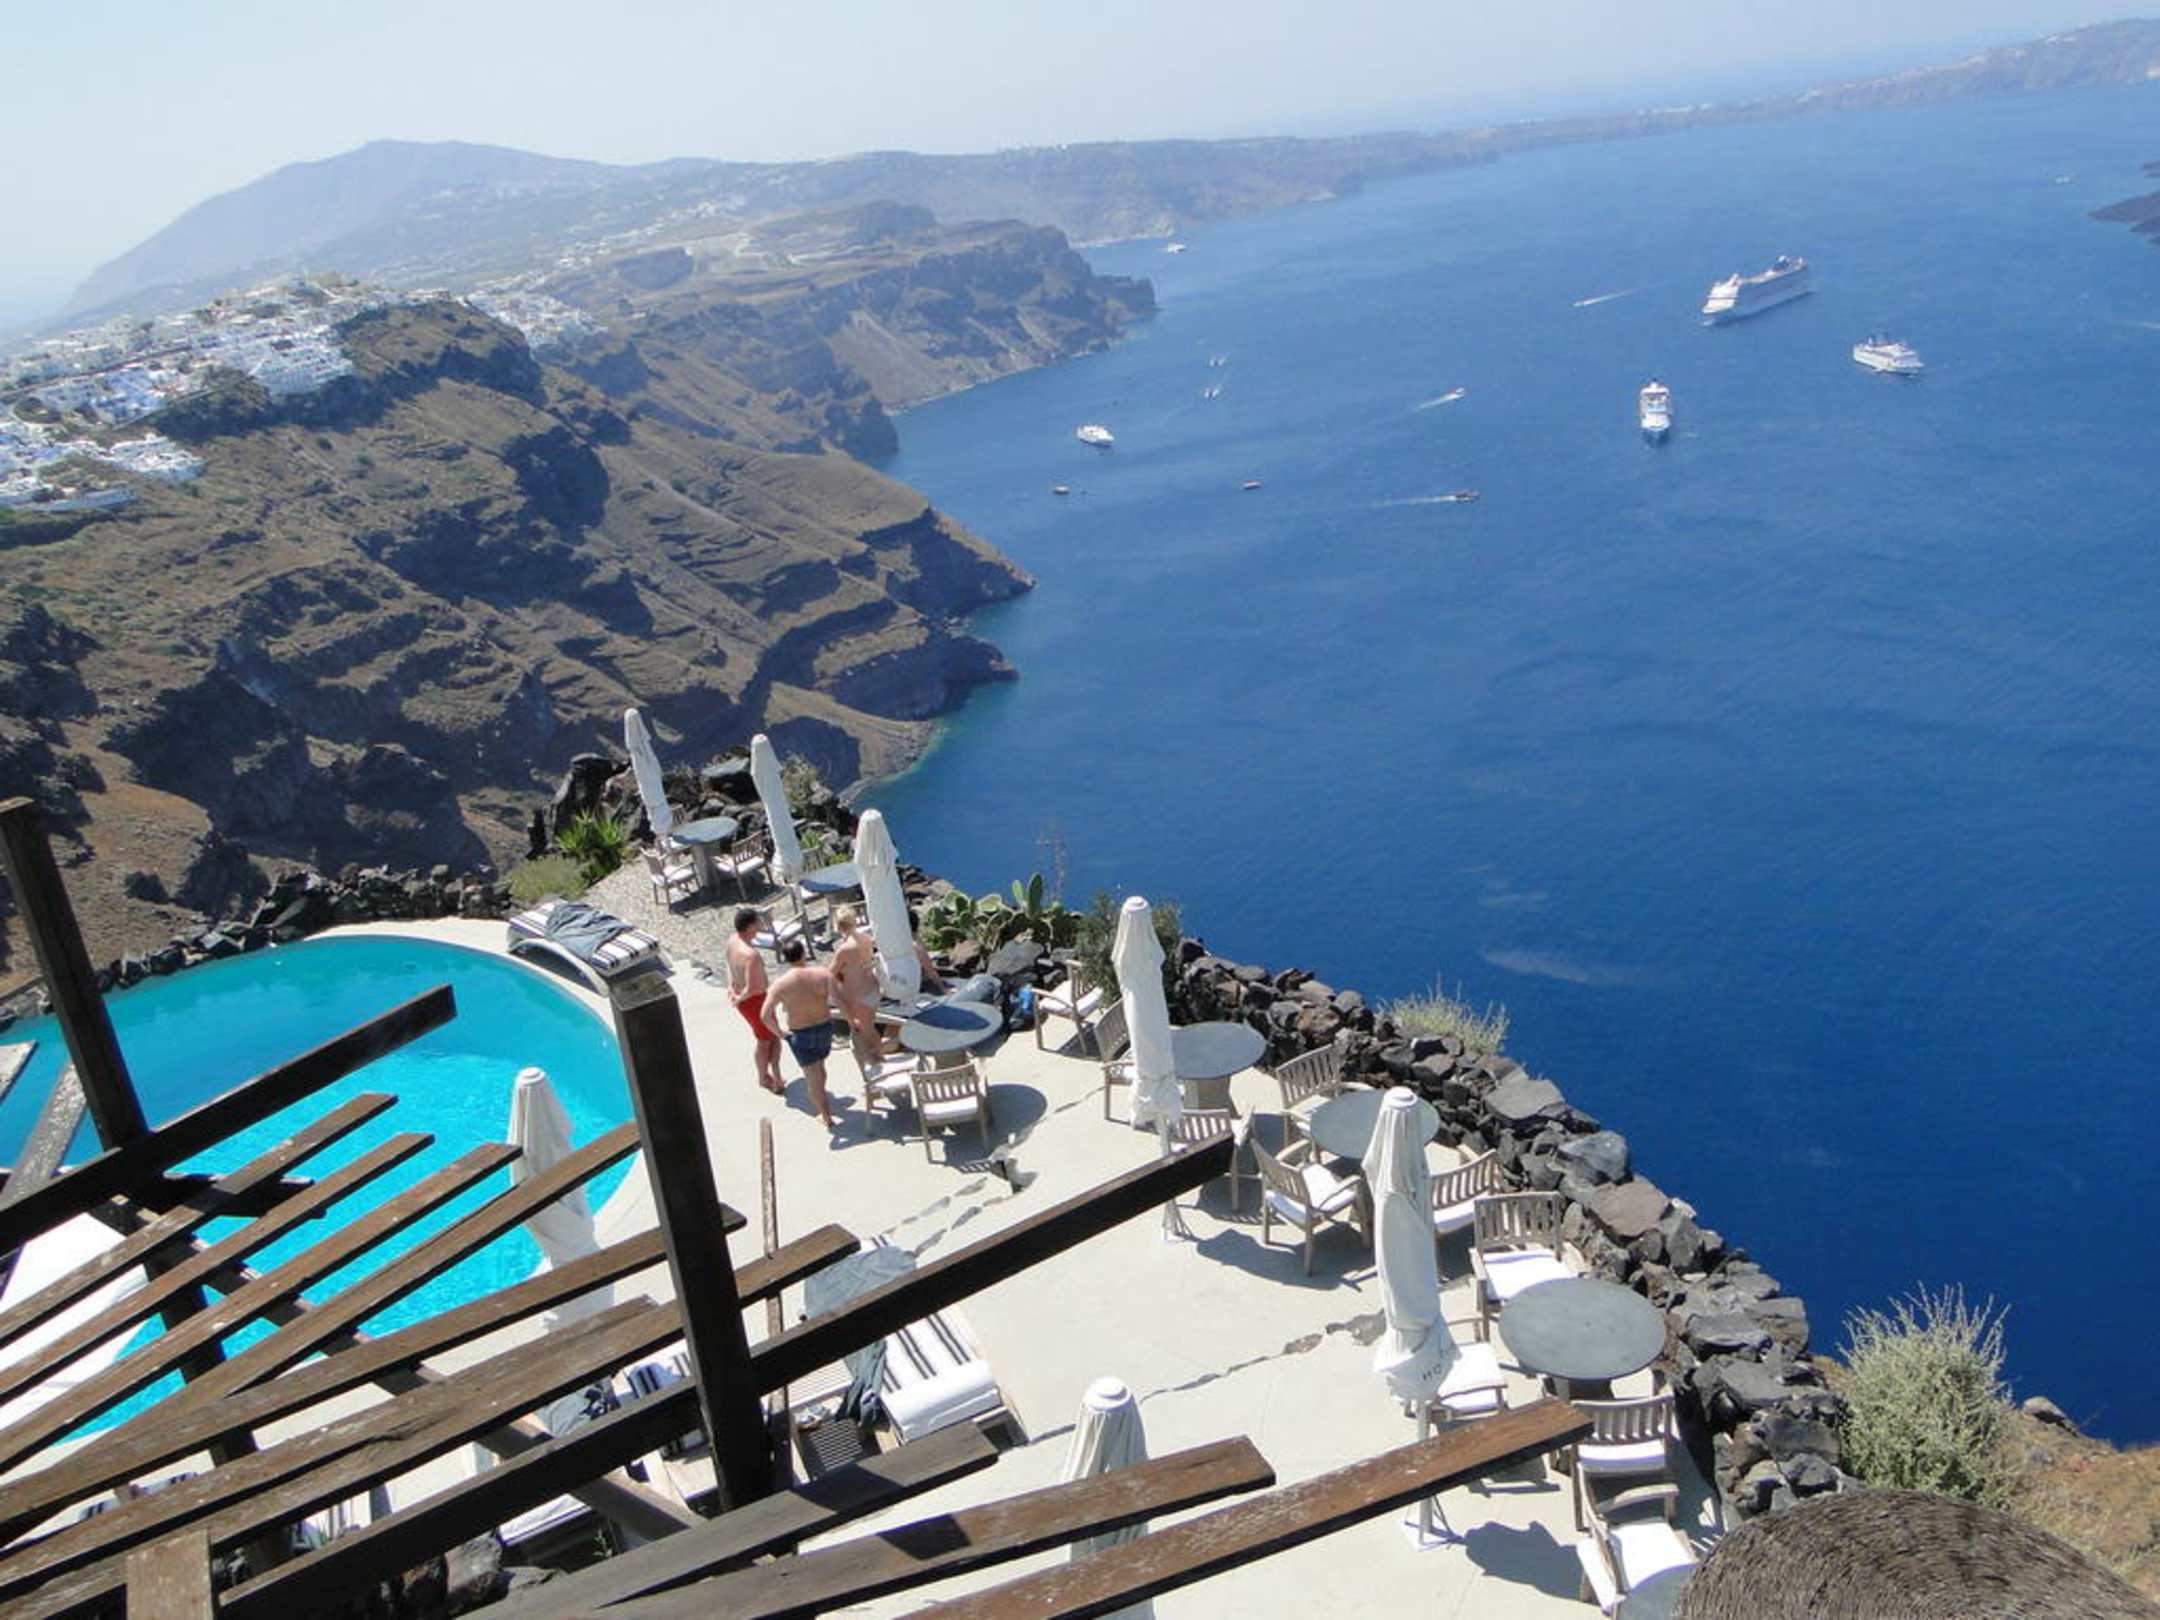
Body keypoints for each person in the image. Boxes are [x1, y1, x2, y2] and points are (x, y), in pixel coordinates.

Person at [766, 939, 841, 1128]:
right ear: (803, 953)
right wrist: (852, 1020)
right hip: (824, 1027)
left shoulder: (780, 984)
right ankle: (823, 1102)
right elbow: (838, 999)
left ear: (785, 959)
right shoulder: (822, 974)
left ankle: (825, 1115)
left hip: (800, 1033)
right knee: (820, 1068)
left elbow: (765, 1015)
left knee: (812, 1076)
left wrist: (780, 1033)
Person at [725, 907, 782, 1095]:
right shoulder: (751, 955)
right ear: (750, 926)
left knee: (768, 1037)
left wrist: (731, 987)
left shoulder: (732, 940)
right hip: (755, 1001)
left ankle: (769, 1075)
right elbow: (753, 988)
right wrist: (739, 997)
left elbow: (728, 964)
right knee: (766, 1039)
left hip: (745, 1000)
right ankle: (766, 1077)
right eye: (757, 922)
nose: (759, 925)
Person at [829, 906, 883, 1076]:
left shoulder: (844, 950)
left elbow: (830, 973)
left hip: (858, 996)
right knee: (870, 1029)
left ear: (838, 926)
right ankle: (877, 1061)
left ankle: (876, 1067)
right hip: (872, 990)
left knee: (864, 1034)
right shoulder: (866, 939)